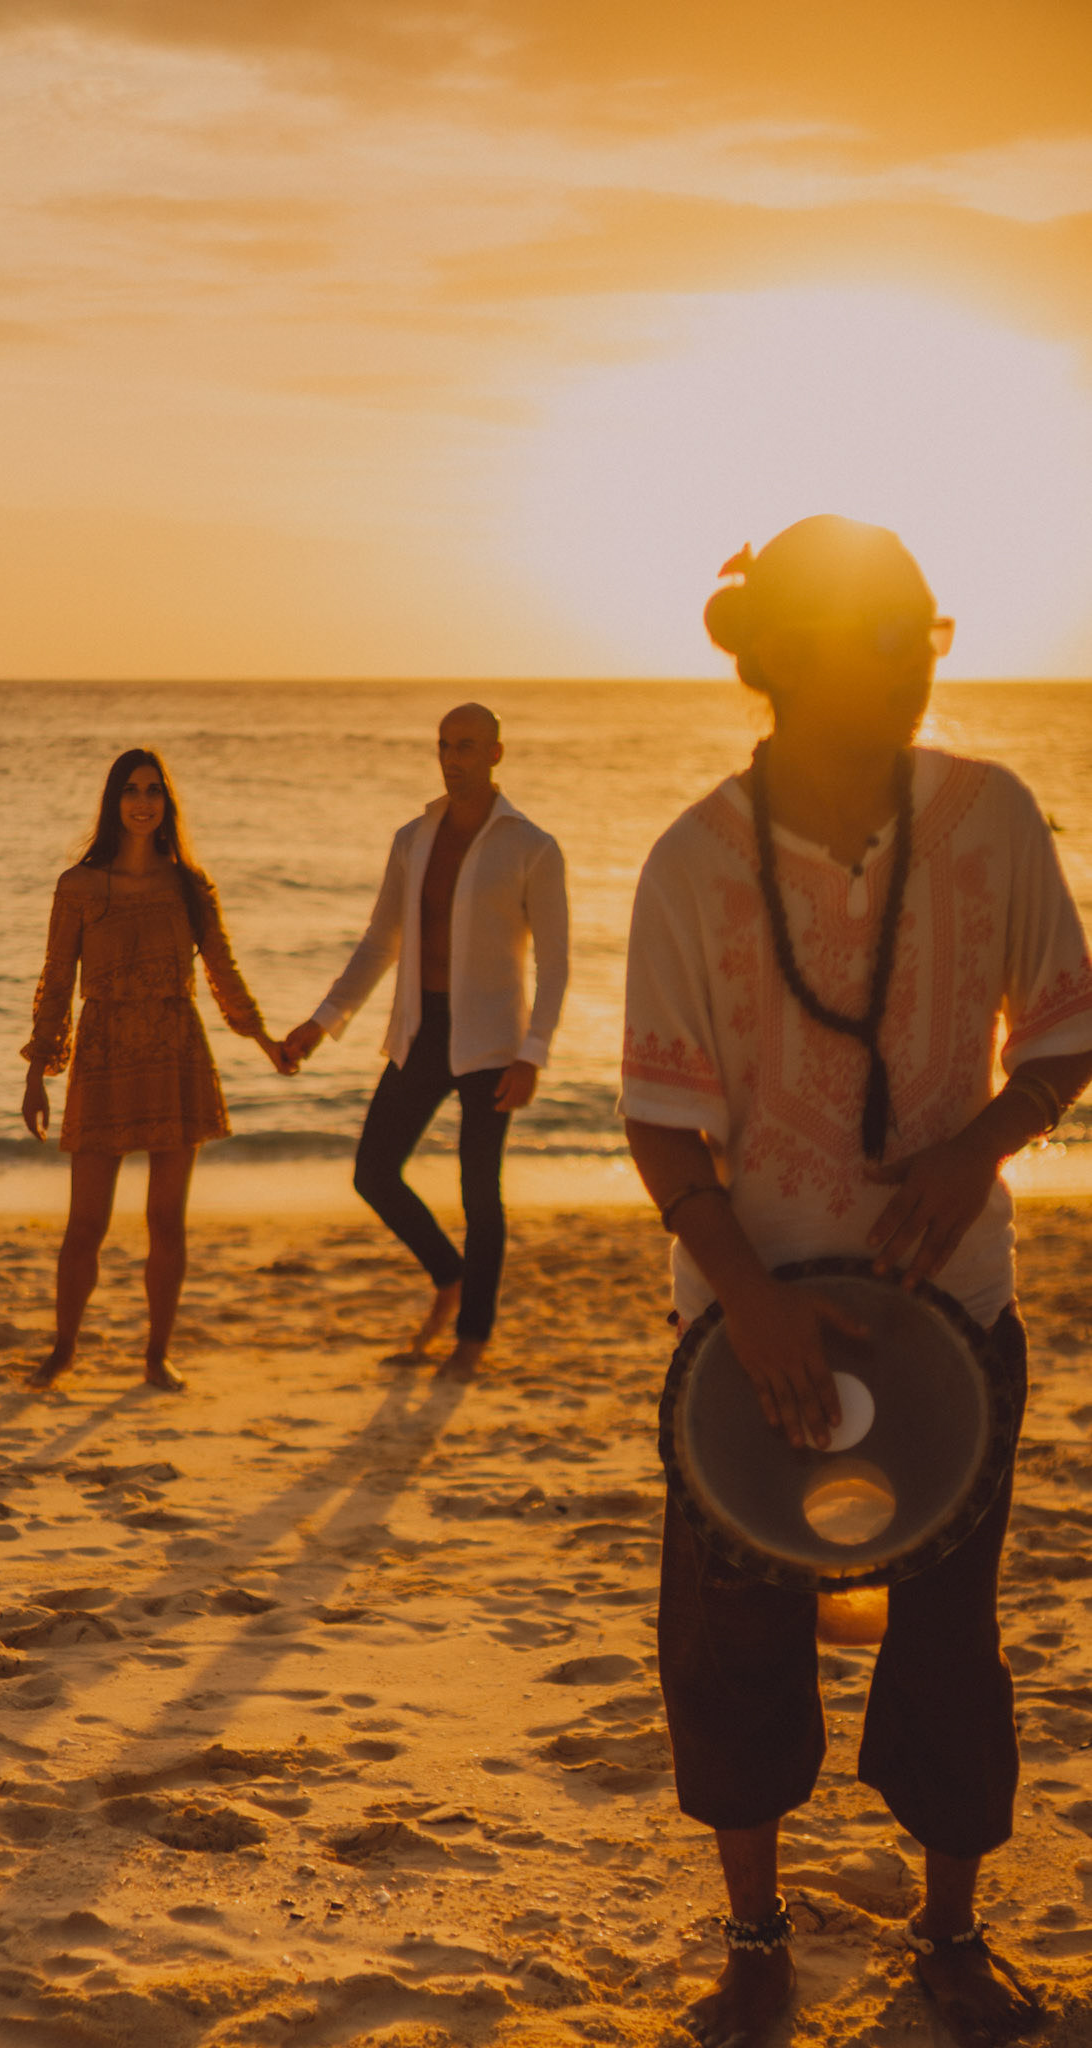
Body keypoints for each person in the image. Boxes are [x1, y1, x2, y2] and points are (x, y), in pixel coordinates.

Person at [621, 513, 1092, 2048]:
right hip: (745, 1321)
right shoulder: (693, 858)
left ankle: (946, 1934)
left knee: (949, 1632)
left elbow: (1068, 1032)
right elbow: (658, 1112)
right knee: (732, 1635)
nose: (899, 665)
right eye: (866, 636)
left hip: (952, 1309)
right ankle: (753, 1926)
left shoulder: (990, 817)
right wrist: (746, 1295)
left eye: (915, 634)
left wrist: (984, 1144)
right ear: (776, 659)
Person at [282, 702, 568, 1381]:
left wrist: (534, 1053)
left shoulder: (532, 847)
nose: (453, 757)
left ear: (497, 753)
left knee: (480, 1192)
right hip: (421, 1029)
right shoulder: (413, 838)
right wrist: (321, 1022)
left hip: (494, 1042)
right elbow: (382, 940)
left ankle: (473, 1337)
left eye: (467, 745)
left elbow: (555, 963)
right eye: (444, 745)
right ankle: (450, 1276)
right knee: (373, 1173)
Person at [21, 748, 291, 1392]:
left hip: (175, 1052)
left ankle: (156, 1355)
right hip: (104, 1054)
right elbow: (56, 981)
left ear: (166, 804)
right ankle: (64, 1348)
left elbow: (223, 971)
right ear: (114, 803)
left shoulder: (189, 887)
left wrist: (264, 1041)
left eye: (154, 792)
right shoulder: (79, 888)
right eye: (131, 791)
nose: (143, 802)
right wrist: (37, 1072)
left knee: (167, 1222)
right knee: (85, 1224)